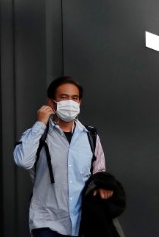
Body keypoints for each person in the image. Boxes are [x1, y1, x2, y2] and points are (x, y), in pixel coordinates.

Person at [13, 76, 115, 237]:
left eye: (74, 98)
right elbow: (23, 161)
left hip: (83, 222)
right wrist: (40, 124)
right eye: (64, 97)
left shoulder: (90, 136)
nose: (70, 102)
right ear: (52, 102)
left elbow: (99, 172)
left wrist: (103, 186)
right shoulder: (38, 134)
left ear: (80, 102)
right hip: (47, 222)